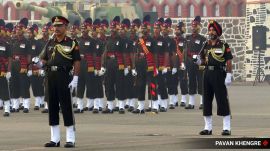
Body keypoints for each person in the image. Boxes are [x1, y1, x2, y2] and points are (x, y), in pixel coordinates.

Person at [34, 16, 81, 147]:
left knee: (66, 107)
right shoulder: (50, 43)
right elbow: (43, 60)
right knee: (52, 107)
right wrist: (38, 63)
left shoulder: (71, 43)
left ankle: (70, 138)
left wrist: (75, 78)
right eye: (55, 26)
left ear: (66, 27)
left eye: (59, 26)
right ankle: (55, 139)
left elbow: (77, 61)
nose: (56, 28)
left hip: (64, 76)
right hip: (50, 76)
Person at [197, 20, 233, 136]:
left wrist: (229, 74)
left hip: (218, 74)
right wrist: (198, 61)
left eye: (213, 30)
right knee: (206, 100)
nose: (211, 32)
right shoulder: (205, 45)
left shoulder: (223, 45)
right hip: (207, 73)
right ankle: (208, 128)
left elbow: (228, 61)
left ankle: (226, 128)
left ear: (217, 32)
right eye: (210, 30)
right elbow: (202, 60)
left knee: (222, 100)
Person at [9, 18, 31, 113]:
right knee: (14, 85)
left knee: (24, 85)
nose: (17, 31)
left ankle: (26, 105)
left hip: (22, 65)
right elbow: (9, 56)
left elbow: (29, 56)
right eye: (17, 29)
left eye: (19, 29)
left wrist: (29, 67)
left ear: (23, 30)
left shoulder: (27, 42)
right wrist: (9, 69)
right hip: (14, 65)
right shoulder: (12, 41)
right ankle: (15, 105)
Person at [185, 16, 206, 109]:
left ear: (199, 27)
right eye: (192, 26)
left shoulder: (202, 39)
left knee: (201, 82)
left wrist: (202, 62)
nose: (193, 27)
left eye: (195, 26)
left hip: (199, 62)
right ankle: (191, 103)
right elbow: (185, 51)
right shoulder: (188, 38)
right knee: (191, 82)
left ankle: (202, 102)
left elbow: (204, 52)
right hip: (190, 62)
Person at [28, 24, 45, 111]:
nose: (29, 34)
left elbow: (41, 56)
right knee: (34, 85)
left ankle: (38, 103)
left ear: (34, 33)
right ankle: (38, 101)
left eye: (30, 33)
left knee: (39, 84)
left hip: (37, 67)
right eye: (28, 33)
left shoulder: (38, 43)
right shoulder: (26, 42)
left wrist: (40, 68)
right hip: (28, 67)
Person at [0, 19, 12, 116]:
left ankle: (7, 108)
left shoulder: (6, 44)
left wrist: (9, 71)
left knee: (4, 90)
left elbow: (10, 58)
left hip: (2, 70)